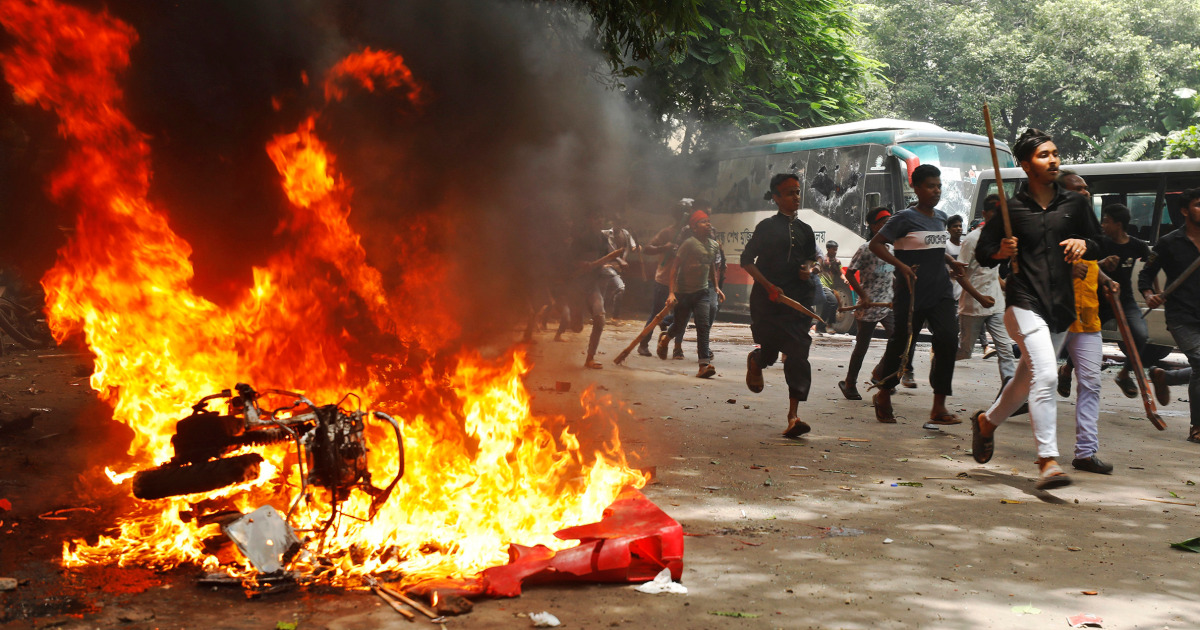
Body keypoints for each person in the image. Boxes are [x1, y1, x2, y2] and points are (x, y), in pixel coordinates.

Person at [971, 128, 1101, 490]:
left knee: (1027, 378)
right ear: (1026, 165)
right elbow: (983, 252)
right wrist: (1001, 252)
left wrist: (1083, 242)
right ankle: (1047, 460)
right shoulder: (1009, 210)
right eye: (1044, 155)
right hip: (1023, 302)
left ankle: (986, 422)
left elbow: (1099, 241)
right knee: (1045, 375)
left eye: (1055, 153)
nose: (1054, 159)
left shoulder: (1074, 204)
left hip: (1061, 305)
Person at [868, 164, 962, 427]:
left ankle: (939, 406)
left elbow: (932, 247)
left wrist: (951, 262)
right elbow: (876, 244)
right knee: (901, 345)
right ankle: (884, 393)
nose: (936, 191)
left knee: (947, 339)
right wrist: (901, 266)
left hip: (941, 291)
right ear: (917, 188)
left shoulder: (941, 217)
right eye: (931, 186)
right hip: (911, 293)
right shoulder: (903, 218)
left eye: (939, 186)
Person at [741, 173, 819, 438]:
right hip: (769, 301)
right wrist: (768, 286)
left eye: (798, 192)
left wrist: (808, 269)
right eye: (789, 193)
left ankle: (793, 416)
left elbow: (811, 259)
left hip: (797, 302)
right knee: (771, 352)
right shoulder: (766, 227)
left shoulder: (806, 230)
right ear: (776, 197)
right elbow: (746, 260)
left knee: (798, 354)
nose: (796, 197)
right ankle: (757, 359)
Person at [1140, 187, 1200, 444]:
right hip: (1182, 316)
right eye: (1199, 205)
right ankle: (1197, 426)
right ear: (1185, 211)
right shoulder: (1169, 242)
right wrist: (1149, 294)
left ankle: (1165, 376)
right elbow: (1146, 274)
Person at [1061, 258, 1118, 474]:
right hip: (1056, 316)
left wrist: (1107, 280)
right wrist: (1066, 270)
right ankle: (988, 421)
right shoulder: (1057, 228)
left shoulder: (1089, 231)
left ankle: (1085, 453)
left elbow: (1092, 263)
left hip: (1087, 320)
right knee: (1034, 378)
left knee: (1091, 384)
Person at [658, 209, 725, 378]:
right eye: (703, 222)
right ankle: (666, 339)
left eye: (708, 221)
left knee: (703, 326)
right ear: (694, 227)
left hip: (702, 292)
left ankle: (703, 365)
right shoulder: (688, 244)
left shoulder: (714, 245)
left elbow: (710, 267)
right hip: (684, 292)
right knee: (679, 325)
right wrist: (671, 293)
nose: (708, 224)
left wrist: (716, 287)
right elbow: (675, 268)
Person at [957, 195, 1015, 386]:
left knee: (1005, 348)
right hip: (973, 305)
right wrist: (980, 298)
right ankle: (942, 360)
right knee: (965, 351)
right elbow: (961, 274)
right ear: (984, 214)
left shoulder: (1002, 239)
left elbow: (992, 269)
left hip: (996, 303)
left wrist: (1004, 285)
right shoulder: (972, 239)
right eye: (995, 214)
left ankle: (1009, 390)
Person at [1097, 202, 1153, 397]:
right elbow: (1086, 265)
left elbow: (1152, 266)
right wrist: (1101, 264)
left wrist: (1152, 293)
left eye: (1106, 221)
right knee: (1084, 338)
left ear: (1118, 224)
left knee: (1140, 336)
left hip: (1125, 300)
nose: (1103, 225)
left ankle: (1123, 374)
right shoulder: (1099, 243)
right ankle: (1066, 369)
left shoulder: (1137, 245)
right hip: (1099, 301)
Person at [838, 207, 894, 400]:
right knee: (862, 346)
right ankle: (850, 383)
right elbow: (850, 273)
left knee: (897, 341)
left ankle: (881, 373)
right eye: (883, 222)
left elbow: (891, 275)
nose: (888, 225)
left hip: (887, 305)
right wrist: (863, 295)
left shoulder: (891, 248)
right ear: (873, 227)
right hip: (869, 306)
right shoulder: (866, 249)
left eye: (890, 222)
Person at [637, 200, 691, 357]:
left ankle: (676, 347)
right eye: (684, 213)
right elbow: (647, 248)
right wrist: (664, 247)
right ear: (678, 215)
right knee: (656, 313)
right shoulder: (668, 232)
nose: (686, 217)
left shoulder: (691, 235)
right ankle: (643, 344)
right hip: (664, 280)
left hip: (683, 283)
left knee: (683, 314)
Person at [564, 210, 616, 369]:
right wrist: (582, 264)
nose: (600, 220)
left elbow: (612, 253)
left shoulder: (603, 238)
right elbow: (569, 261)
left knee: (600, 319)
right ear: (589, 219)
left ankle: (590, 358)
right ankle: (574, 315)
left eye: (602, 217)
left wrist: (620, 260)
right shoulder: (580, 239)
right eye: (596, 217)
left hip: (592, 286)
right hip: (576, 287)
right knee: (577, 327)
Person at [600, 212, 638, 321]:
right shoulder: (604, 234)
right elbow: (606, 252)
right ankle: (600, 315)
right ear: (612, 222)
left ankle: (613, 316)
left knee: (616, 290)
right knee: (607, 291)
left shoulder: (626, 234)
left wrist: (638, 248)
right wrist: (618, 260)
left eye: (620, 222)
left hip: (618, 268)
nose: (618, 224)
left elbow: (632, 247)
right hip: (605, 266)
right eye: (616, 222)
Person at [814, 242, 842, 334]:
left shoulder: (837, 262)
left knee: (828, 306)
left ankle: (820, 327)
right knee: (833, 302)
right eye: (833, 249)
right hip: (822, 285)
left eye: (836, 249)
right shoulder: (823, 260)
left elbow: (841, 273)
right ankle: (829, 325)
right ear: (828, 249)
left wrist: (845, 279)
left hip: (830, 287)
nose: (835, 251)